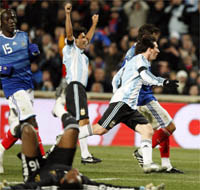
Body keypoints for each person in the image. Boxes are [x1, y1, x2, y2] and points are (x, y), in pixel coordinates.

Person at [55, 35, 178, 173]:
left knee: (147, 130)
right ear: (149, 49)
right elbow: (144, 76)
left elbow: (118, 76)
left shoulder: (136, 61)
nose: (158, 51)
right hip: (122, 103)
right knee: (100, 129)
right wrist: (164, 81)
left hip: (129, 107)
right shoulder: (140, 60)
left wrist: (116, 90)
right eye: (155, 48)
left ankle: (148, 164)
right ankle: (66, 136)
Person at [1, 111, 165, 190]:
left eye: (74, 176)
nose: (77, 172)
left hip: (36, 172)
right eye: (78, 176)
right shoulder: (86, 185)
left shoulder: (46, 186)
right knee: (73, 128)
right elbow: (112, 188)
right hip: (60, 162)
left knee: (28, 130)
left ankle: (15, 129)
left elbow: (27, 188)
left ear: (63, 182)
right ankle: (59, 108)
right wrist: (143, 189)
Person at [120, 24, 183, 173]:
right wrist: (160, 81)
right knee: (170, 126)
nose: (156, 44)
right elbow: (140, 76)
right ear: (146, 37)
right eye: (154, 39)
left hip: (141, 96)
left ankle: (166, 165)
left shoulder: (132, 52)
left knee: (161, 128)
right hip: (143, 98)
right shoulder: (138, 54)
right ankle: (141, 152)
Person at [52, 3, 101, 164]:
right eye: (83, 37)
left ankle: (85, 155)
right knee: (83, 121)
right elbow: (69, 33)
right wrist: (67, 14)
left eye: (86, 38)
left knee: (79, 122)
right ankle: (58, 146)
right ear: (76, 39)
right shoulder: (70, 49)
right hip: (74, 86)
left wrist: (94, 24)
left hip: (78, 88)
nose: (86, 40)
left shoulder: (83, 55)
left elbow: (88, 37)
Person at [0, 9, 45, 174]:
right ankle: (42, 159)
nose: (12, 21)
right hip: (13, 87)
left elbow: (29, 56)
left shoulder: (23, 36)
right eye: (8, 19)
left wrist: (33, 53)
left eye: (13, 19)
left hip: (28, 85)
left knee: (20, 126)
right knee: (32, 121)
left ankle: (0, 149)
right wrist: (3, 68)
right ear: (1, 22)